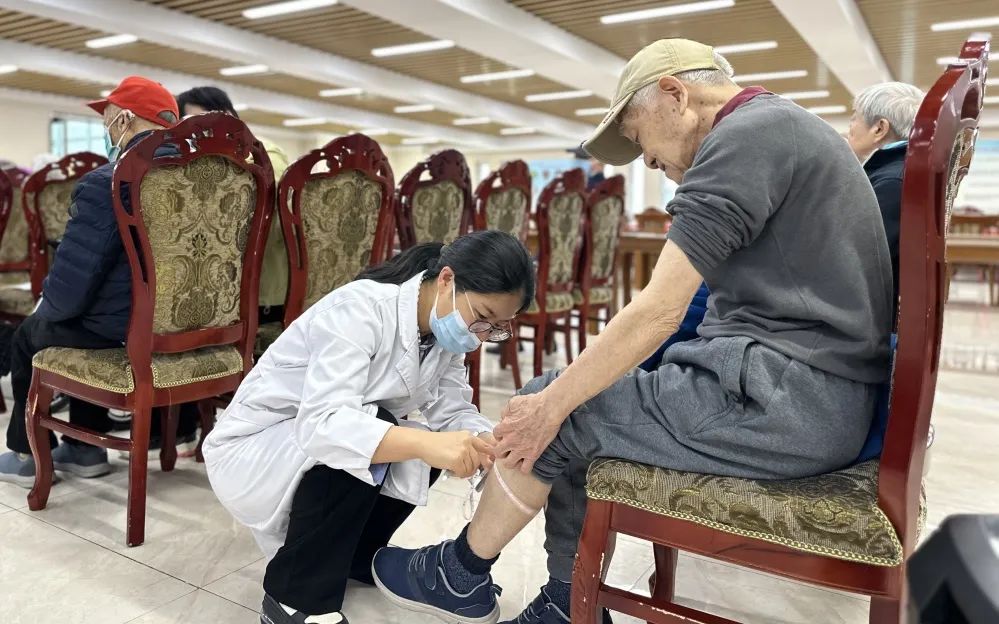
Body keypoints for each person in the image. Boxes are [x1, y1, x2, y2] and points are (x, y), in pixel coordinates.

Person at [372, 38, 892, 624]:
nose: (645, 161)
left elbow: (659, 310)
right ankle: (565, 601)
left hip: (784, 401)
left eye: (639, 136)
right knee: (571, 399)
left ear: (675, 95)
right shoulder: (780, 127)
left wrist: (552, 404)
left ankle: (462, 574)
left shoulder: (745, 138)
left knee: (557, 405)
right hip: (796, 392)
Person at [202, 230, 535, 624]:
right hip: (257, 447)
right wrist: (424, 445)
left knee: (428, 442)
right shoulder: (360, 310)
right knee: (390, 437)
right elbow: (323, 424)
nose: (480, 335)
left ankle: (354, 555)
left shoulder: (442, 332)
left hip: (310, 437)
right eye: (482, 316)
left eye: (496, 328)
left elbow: (452, 407)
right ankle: (293, 598)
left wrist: (483, 440)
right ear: (447, 279)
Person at [0, 76, 179, 486]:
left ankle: (27, 454)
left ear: (125, 120)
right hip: (185, 330)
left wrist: (44, 311)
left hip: (125, 330)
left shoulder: (112, 181)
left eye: (108, 121)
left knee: (32, 334)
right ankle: (83, 447)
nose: (106, 130)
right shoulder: (202, 180)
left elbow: (68, 292)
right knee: (86, 318)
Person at [175, 86, 291, 324]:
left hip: (262, 297)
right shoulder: (192, 165)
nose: (200, 131)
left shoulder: (265, 155)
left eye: (204, 121)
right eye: (190, 124)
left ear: (228, 115)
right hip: (213, 297)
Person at [846, 81, 924, 306]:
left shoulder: (890, 183)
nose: (850, 128)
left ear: (879, 128)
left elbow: (853, 261)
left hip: (866, 311)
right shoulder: (903, 172)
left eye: (855, 118)